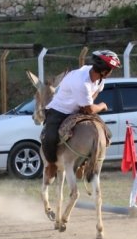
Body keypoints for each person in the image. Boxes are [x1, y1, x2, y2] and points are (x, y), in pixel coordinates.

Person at [41, 49, 121, 180]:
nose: (111, 72)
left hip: (80, 108)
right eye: (111, 69)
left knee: (106, 134)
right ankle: (51, 164)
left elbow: (96, 92)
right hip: (60, 110)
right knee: (50, 137)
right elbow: (90, 109)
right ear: (104, 71)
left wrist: (88, 101)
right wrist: (102, 106)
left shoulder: (99, 78)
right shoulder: (81, 82)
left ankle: (83, 163)